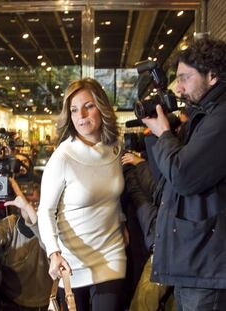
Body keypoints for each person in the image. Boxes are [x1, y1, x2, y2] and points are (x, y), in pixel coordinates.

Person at [141, 37, 226, 310]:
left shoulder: (221, 118)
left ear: (212, 76)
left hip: (206, 266)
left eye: (184, 78)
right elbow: (163, 180)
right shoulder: (202, 116)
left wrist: (164, 133)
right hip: (194, 261)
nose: (178, 87)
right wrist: (161, 133)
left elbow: (184, 176)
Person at [37, 78, 127, 311]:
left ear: (102, 107)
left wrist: (122, 222)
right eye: (74, 110)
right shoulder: (63, 157)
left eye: (88, 106)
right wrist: (53, 253)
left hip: (112, 253)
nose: (81, 115)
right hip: (72, 262)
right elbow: (45, 210)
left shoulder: (115, 147)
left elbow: (113, 196)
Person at [0, 178, 52, 310]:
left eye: (35, 203)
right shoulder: (12, 224)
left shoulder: (50, 228)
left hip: (42, 303)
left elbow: (47, 242)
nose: (29, 206)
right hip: (12, 301)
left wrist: (28, 208)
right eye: (26, 202)